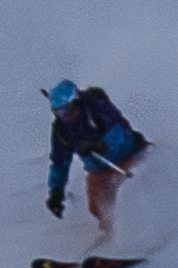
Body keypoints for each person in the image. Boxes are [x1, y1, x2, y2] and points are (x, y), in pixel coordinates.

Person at [43, 80, 149, 244]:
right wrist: (56, 192)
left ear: (76, 102)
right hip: (99, 170)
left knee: (125, 196)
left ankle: (141, 236)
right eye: (58, 111)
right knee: (97, 206)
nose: (65, 116)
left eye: (66, 109)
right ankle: (111, 238)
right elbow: (59, 163)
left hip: (127, 158)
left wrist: (101, 144)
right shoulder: (61, 130)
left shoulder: (96, 108)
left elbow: (121, 131)